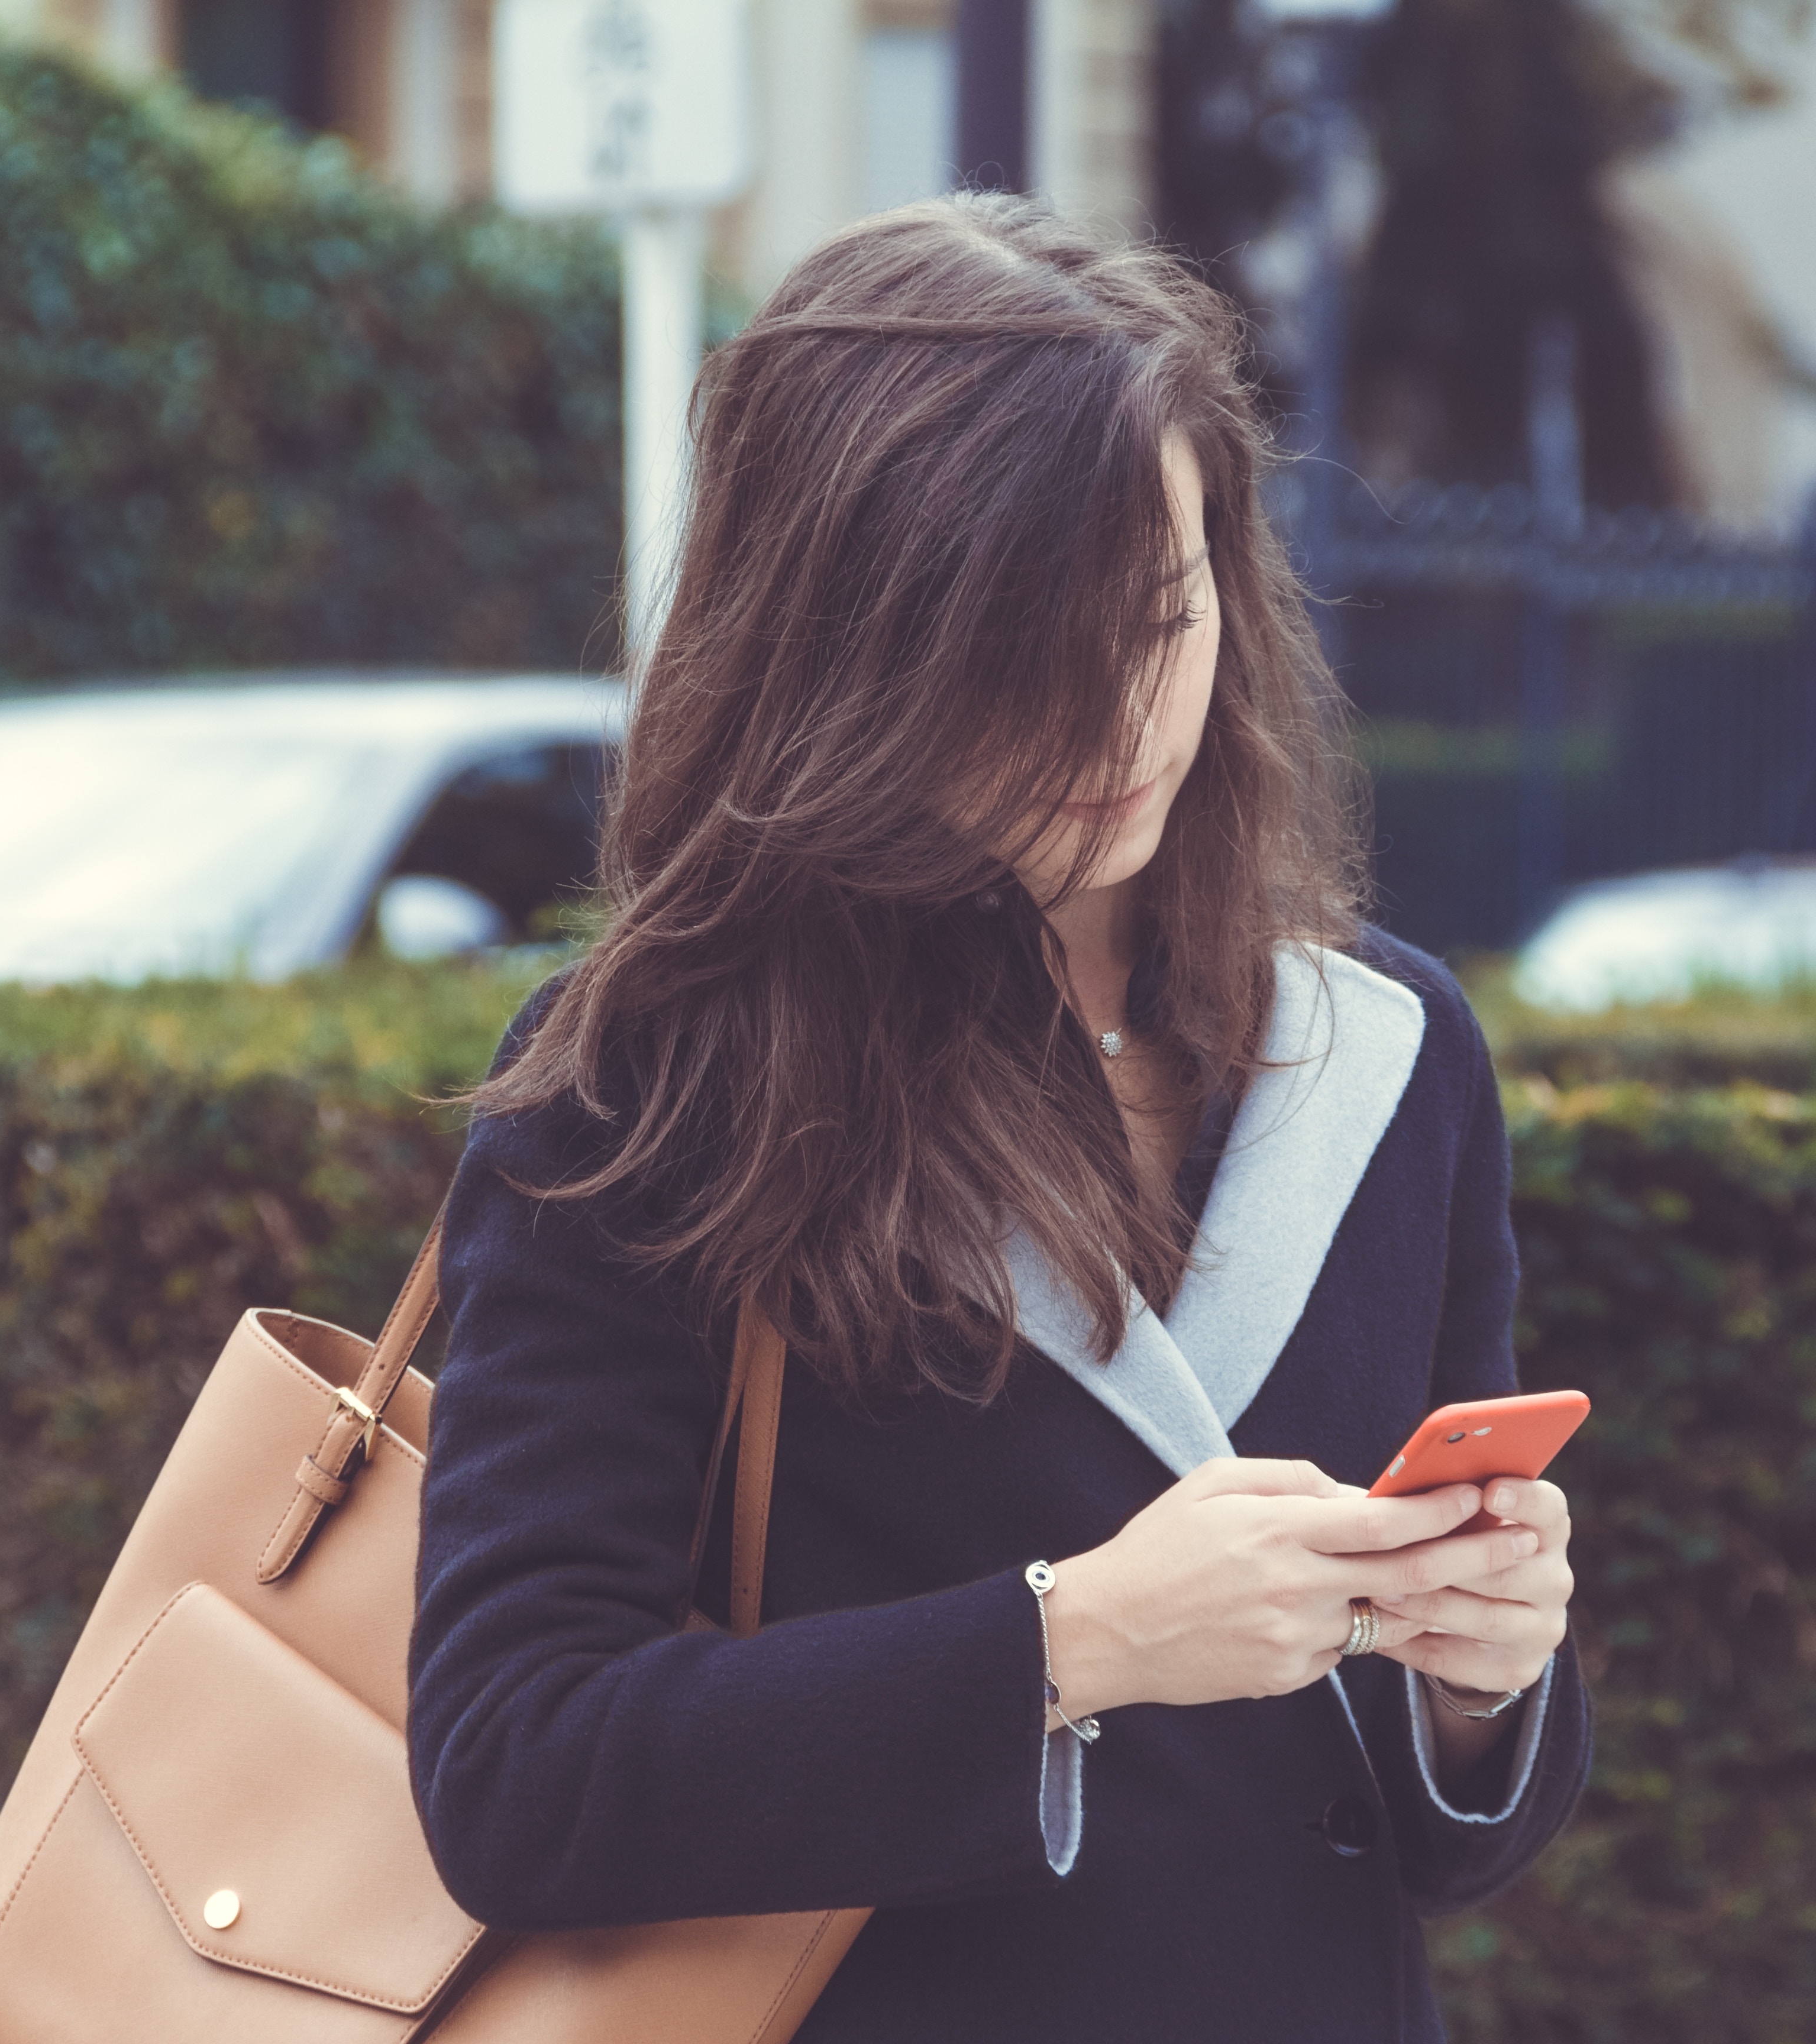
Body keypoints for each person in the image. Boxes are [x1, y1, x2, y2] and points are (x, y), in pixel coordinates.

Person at [407, 192, 1587, 2042]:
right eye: (1024, 652)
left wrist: (1484, 1680)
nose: (1123, 717)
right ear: (852, 647)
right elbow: (515, 1767)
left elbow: (1438, 1844)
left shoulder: (1384, 1048)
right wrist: (1074, 1643)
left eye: (1164, 618)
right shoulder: (658, 1085)